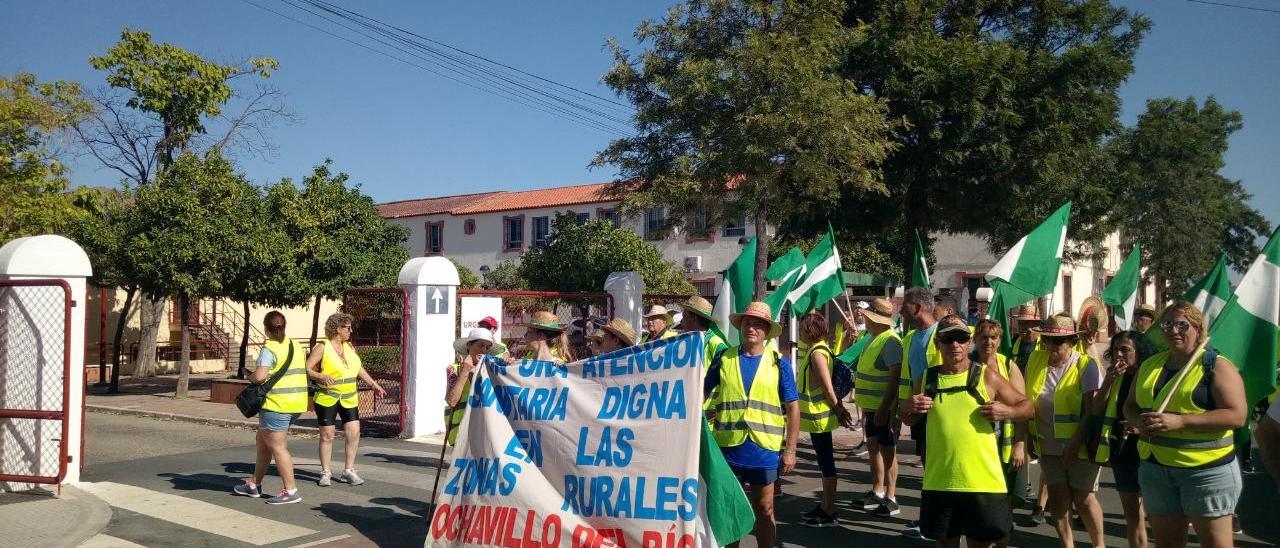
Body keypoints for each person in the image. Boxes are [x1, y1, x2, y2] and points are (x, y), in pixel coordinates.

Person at [1124, 301, 1248, 548]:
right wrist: (1138, 421)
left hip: (1206, 472)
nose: (1173, 330)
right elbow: (1130, 405)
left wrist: (1181, 421)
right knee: (1167, 544)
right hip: (1156, 470)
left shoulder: (1216, 366)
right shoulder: (1150, 365)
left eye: (1182, 324)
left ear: (1198, 328)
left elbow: (1237, 415)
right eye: (1167, 324)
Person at [902, 315, 1033, 547]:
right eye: (948, 338)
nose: (955, 344)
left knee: (981, 545)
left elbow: (1027, 406)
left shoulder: (986, 376)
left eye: (961, 338)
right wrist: (907, 408)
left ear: (969, 341)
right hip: (940, 481)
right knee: (944, 544)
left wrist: (1007, 412)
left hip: (982, 482)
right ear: (937, 343)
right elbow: (909, 419)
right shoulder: (926, 378)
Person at [704, 301, 799, 548]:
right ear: (740, 326)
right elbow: (700, 393)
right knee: (730, 511)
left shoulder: (779, 363)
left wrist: (790, 450)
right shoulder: (724, 358)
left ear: (766, 331)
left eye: (758, 324)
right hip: (728, 449)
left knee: (765, 510)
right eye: (748, 322)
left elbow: (793, 408)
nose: (752, 328)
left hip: (763, 449)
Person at [1025, 314, 1107, 548]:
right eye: (1047, 340)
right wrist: (1028, 438)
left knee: (1083, 498)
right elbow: (1028, 400)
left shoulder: (1085, 365)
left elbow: (1091, 412)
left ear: (1071, 341)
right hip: (1047, 445)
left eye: (1057, 342)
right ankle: (1067, 545)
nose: (1051, 346)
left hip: (1080, 446)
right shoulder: (1035, 360)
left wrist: (1074, 445)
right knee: (1059, 500)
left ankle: (1098, 544)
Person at [1090, 330, 1158, 548]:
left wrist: (1140, 428)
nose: (1119, 354)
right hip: (1122, 452)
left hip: (1150, 453)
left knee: (1158, 515)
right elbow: (1096, 409)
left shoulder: (1152, 376)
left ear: (1139, 353)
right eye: (1115, 349)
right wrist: (1108, 381)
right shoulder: (1116, 377)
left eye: (1125, 350)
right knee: (1132, 515)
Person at [233, 311, 309, 505]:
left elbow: (259, 377)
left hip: (277, 404)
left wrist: (249, 376)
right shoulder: (296, 345)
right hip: (297, 402)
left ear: (267, 329)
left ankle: (290, 490)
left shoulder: (270, 348)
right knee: (262, 441)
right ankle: (254, 485)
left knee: (278, 447)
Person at [307, 313, 387, 487]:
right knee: (327, 435)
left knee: (354, 433)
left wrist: (373, 384)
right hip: (328, 397)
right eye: (347, 328)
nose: (351, 331)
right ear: (337, 329)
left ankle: (348, 470)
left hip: (349, 397)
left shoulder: (349, 346)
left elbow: (358, 369)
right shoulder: (322, 346)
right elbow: (307, 369)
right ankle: (325, 472)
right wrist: (320, 376)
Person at [972, 318, 1028, 546]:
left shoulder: (1008, 366)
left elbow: (1024, 408)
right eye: (984, 337)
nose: (989, 342)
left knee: (1005, 501)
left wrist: (1020, 444)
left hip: (1004, 445)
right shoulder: (966, 364)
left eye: (993, 337)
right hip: (975, 447)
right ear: (975, 338)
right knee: (978, 501)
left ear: (1000, 340)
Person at [796, 311, 855, 527]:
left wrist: (840, 411)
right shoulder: (817, 350)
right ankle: (824, 506)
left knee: (826, 464)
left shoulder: (817, 353)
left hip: (820, 418)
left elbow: (828, 388)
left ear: (811, 331)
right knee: (824, 464)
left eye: (803, 328)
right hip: (817, 418)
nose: (800, 331)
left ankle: (829, 510)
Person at [853, 297, 905, 517]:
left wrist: (885, 409)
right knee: (874, 448)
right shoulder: (873, 337)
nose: (865, 318)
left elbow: (894, 378)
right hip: (871, 408)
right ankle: (878, 491)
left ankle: (891, 497)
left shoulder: (890, 341)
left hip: (883, 408)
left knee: (888, 451)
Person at [445, 328, 496, 446]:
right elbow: (452, 401)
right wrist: (465, 371)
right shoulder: (454, 369)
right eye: (480, 345)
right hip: (461, 431)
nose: (484, 350)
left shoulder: (492, 370)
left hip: (484, 429)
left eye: (487, 348)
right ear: (469, 345)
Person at [679, 295, 728, 365]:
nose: (681, 321)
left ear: (694, 318)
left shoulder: (716, 344)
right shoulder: (685, 341)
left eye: (684, 317)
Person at [1011, 304, 1041, 370]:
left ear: (1036, 324)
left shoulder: (1044, 344)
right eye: (1020, 323)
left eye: (1025, 323)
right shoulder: (1014, 341)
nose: (1021, 328)